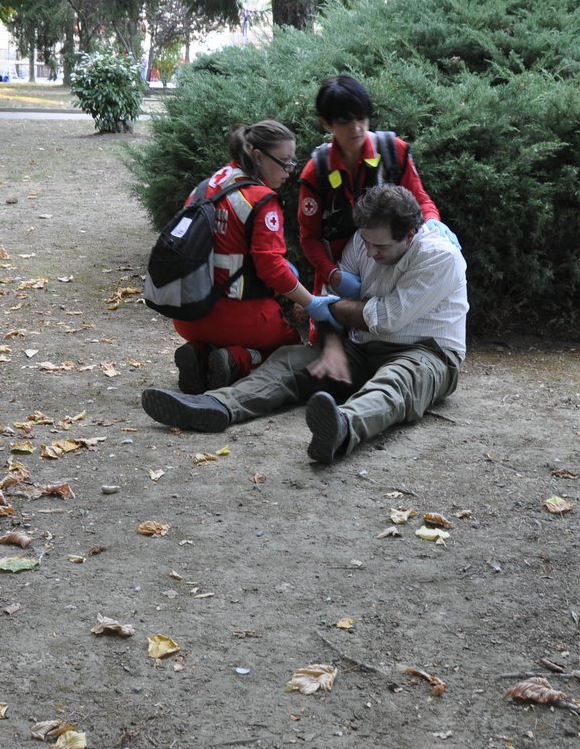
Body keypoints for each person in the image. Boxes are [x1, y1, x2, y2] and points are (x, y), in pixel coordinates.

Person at [142, 185, 467, 465]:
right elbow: (326, 298)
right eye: (367, 242)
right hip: (360, 346)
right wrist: (331, 345)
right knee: (290, 360)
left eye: (380, 247)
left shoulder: (439, 256)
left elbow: (383, 317)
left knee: (397, 381)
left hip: (426, 352)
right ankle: (218, 404)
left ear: (410, 234)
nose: (370, 252)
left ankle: (341, 428)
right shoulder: (363, 239)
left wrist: (329, 309)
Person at [168, 120, 340, 394]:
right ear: (258, 156)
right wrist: (311, 303)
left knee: (287, 271)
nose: (290, 169)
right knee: (289, 346)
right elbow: (271, 267)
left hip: (187, 314)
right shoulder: (261, 200)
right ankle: (237, 360)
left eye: (292, 160)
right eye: (283, 161)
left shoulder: (208, 185)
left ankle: (199, 352)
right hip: (237, 318)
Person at [297, 74, 453, 299]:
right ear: (326, 123)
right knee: (330, 334)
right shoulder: (317, 171)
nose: (356, 128)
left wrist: (433, 225)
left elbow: (421, 201)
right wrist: (334, 275)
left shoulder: (393, 152)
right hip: (340, 277)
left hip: (392, 269)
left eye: (361, 118)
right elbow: (309, 238)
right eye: (344, 121)